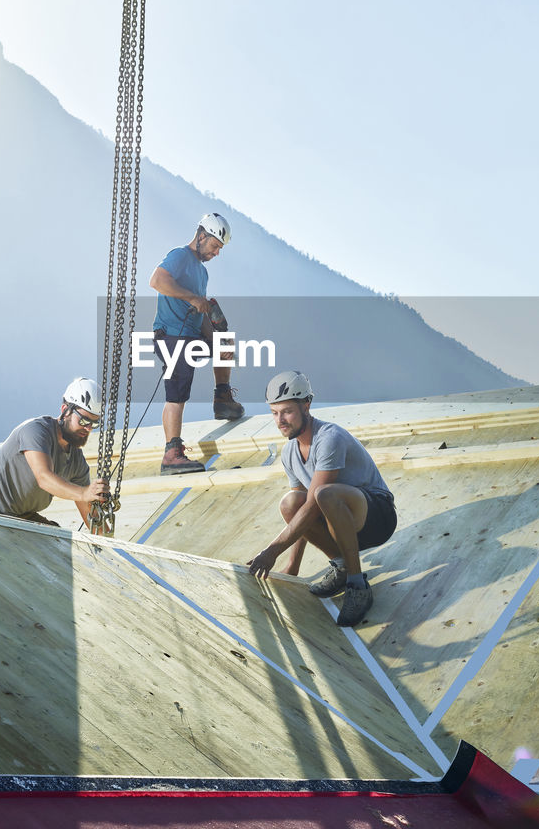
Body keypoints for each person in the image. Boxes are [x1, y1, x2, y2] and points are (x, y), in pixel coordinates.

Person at [247, 370, 397, 627]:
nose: (280, 420)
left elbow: (316, 503)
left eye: (287, 411)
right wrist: (292, 565)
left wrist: (272, 551)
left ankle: (357, 584)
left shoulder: (329, 437)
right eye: (274, 413)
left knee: (323, 493)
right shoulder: (289, 453)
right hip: (339, 523)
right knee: (290, 503)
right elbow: (301, 510)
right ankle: (341, 567)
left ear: (306, 405)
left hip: (376, 516)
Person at [149, 212, 245, 475]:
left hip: (191, 333)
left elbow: (200, 309)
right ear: (201, 236)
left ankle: (222, 398)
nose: (216, 253)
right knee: (178, 389)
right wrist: (192, 298)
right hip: (170, 335)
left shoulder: (202, 273)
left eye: (219, 249)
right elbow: (157, 281)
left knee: (225, 341)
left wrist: (216, 340)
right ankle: (172, 453)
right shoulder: (180, 256)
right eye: (215, 246)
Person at [0, 377, 110, 528]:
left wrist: (109, 538)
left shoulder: (77, 462)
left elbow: (91, 515)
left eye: (94, 423)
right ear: (65, 410)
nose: (89, 428)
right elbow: (44, 477)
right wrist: (84, 493)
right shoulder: (35, 431)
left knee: (59, 543)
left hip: (19, 516)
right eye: (84, 421)